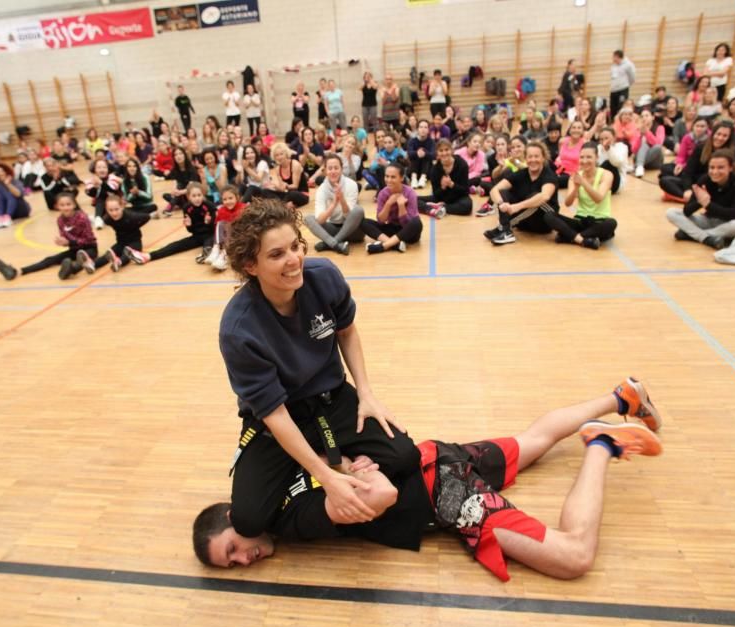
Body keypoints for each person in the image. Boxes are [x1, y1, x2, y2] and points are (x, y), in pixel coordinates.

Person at [193, 378, 663, 583]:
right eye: (232, 565)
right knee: (533, 440)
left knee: (573, 555)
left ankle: (601, 444)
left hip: (444, 493)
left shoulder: (285, 513)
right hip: (434, 458)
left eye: (232, 548)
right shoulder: (279, 483)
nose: (244, 559)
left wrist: (350, 474)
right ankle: (619, 396)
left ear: (235, 513)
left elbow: (374, 493)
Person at [217, 199, 419, 538]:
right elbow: (274, 413)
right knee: (250, 521)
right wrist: (327, 479)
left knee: (404, 457)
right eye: (277, 254)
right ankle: (322, 462)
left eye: (295, 246)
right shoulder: (239, 329)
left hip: (330, 399)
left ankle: (326, 456)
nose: (294, 260)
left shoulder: (324, 276)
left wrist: (366, 393)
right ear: (251, 265)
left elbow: (347, 331)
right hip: (278, 418)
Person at [0, 192, 97, 281]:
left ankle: (71, 270)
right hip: (74, 249)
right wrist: (62, 242)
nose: (65, 207)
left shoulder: (82, 217)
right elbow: (66, 238)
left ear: (74, 205)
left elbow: (89, 240)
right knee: (50, 260)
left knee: (82, 260)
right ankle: (18, 271)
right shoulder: (60, 220)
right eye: (62, 205)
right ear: (57, 206)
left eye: (68, 204)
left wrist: (70, 242)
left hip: (89, 248)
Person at [667, 150, 735, 250]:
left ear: (731, 168)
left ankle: (692, 234)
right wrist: (699, 202)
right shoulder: (705, 180)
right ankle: (706, 238)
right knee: (671, 212)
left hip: (730, 223)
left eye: (720, 167)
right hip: (708, 220)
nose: (715, 172)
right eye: (712, 167)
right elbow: (687, 211)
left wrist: (708, 205)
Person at [484, 141, 559, 245]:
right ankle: (505, 229)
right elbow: (494, 190)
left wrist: (516, 207)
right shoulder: (521, 173)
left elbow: (545, 196)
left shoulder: (549, 175)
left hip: (543, 223)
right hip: (524, 223)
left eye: (536, 156)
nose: (533, 160)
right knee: (502, 192)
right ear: (525, 158)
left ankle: (505, 227)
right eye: (530, 157)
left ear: (543, 158)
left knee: (535, 196)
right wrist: (502, 204)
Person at [543, 143, 617, 250]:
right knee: (549, 215)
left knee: (611, 223)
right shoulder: (575, 176)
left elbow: (598, 198)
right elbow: (568, 203)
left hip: (599, 222)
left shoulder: (607, 174)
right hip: (580, 221)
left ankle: (569, 237)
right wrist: (576, 188)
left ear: (597, 158)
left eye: (589, 157)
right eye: (582, 157)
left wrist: (583, 183)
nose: (584, 161)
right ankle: (584, 240)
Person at [125, 182, 216, 266]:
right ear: (189, 197)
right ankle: (148, 256)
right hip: (196, 236)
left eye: (199, 195)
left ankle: (207, 253)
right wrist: (189, 225)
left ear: (203, 195)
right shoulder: (186, 208)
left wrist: (209, 222)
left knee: (209, 243)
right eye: (194, 196)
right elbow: (191, 230)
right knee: (175, 246)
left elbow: (214, 228)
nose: (197, 198)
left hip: (210, 235)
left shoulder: (209, 206)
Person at [659, 120, 735, 202]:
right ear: (713, 134)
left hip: (715, 187)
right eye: (718, 134)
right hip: (696, 184)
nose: (720, 138)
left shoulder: (730, 153)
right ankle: (691, 198)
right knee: (665, 180)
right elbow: (688, 172)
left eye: (725, 136)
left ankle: (692, 199)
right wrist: (687, 189)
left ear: (729, 138)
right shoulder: (701, 148)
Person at [304, 154, 365, 255]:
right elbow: (320, 220)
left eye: (336, 168)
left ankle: (328, 243)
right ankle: (336, 244)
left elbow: (348, 216)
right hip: (332, 229)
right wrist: (333, 204)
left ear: (341, 169)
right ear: (325, 171)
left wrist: (341, 199)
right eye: (330, 168)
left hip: (353, 231)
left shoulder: (351, 184)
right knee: (308, 218)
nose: (333, 171)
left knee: (359, 210)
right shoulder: (321, 190)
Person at [363, 163, 423, 254]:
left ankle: (383, 246)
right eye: (387, 176)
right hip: (392, 229)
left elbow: (407, 224)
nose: (389, 180)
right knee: (363, 222)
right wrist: (388, 203)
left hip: (408, 233)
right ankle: (395, 244)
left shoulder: (410, 193)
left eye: (393, 177)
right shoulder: (383, 193)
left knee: (417, 223)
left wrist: (401, 206)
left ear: (401, 178)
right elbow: (381, 221)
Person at [93, 194, 149, 273]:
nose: (114, 213)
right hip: (121, 243)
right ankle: (93, 264)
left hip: (135, 243)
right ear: (106, 209)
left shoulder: (131, 216)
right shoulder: (107, 219)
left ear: (122, 207)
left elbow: (147, 217)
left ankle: (118, 262)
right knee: (109, 253)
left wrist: (136, 226)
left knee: (127, 254)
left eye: (116, 209)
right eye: (111, 210)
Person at [417, 140, 471, 218]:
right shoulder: (435, 169)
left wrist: (452, 185)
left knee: (468, 206)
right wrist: (442, 187)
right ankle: (431, 209)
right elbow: (436, 194)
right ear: (437, 153)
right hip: (441, 198)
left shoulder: (462, 164)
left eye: (446, 149)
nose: (444, 153)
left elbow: (465, 191)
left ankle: (442, 208)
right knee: (415, 199)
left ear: (451, 150)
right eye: (441, 151)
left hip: (458, 197)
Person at [207, 185, 245, 271]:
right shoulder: (221, 210)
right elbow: (217, 228)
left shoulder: (243, 208)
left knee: (230, 226)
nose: (228, 201)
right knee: (220, 223)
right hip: (225, 240)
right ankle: (216, 249)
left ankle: (224, 256)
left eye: (230, 198)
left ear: (237, 197)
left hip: (240, 239)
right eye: (225, 199)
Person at [264, 142, 309, 208]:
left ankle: (279, 205)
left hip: (300, 194)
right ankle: (285, 205)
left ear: (286, 154)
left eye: (281, 154)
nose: (279, 157)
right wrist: (275, 187)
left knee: (292, 194)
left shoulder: (294, 164)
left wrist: (286, 186)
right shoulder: (277, 169)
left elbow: (295, 186)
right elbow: (282, 189)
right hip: (288, 194)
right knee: (265, 191)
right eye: (277, 155)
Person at [0, 163, 31, 229]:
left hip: (20, 209)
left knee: (10, 194)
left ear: (6, 171)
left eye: (2, 171)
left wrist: (8, 184)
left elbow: (19, 194)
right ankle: (0, 217)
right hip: (5, 212)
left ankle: (7, 217)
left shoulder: (15, 181)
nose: (0, 173)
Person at [631, 109, 665, 177]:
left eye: (647, 115)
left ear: (653, 117)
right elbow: (633, 150)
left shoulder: (660, 127)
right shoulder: (638, 129)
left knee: (658, 147)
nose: (644, 118)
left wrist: (647, 132)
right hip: (639, 159)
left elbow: (659, 144)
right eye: (642, 116)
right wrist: (640, 136)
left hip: (655, 161)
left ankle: (638, 165)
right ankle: (639, 166)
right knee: (644, 145)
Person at [406, 119, 435, 189]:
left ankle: (423, 178)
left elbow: (433, 155)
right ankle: (414, 178)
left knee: (425, 155)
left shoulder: (431, 141)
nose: (423, 129)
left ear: (428, 130)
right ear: (417, 129)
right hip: (413, 170)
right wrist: (417, 153)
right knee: (416, 154)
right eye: (421, 127)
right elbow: (409, 154)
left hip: (427, 171)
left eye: (425, 127)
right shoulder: (412, 141)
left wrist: (424, 153)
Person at [609, 50, 635, 117]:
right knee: (613, 108)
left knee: (621, 107)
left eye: (614, 57)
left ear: (618, 57)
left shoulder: (628, 65)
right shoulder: (613, 65)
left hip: (622, 89)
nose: (613, 58)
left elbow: (632, 77)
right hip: (614, 90)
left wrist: (625, 84)